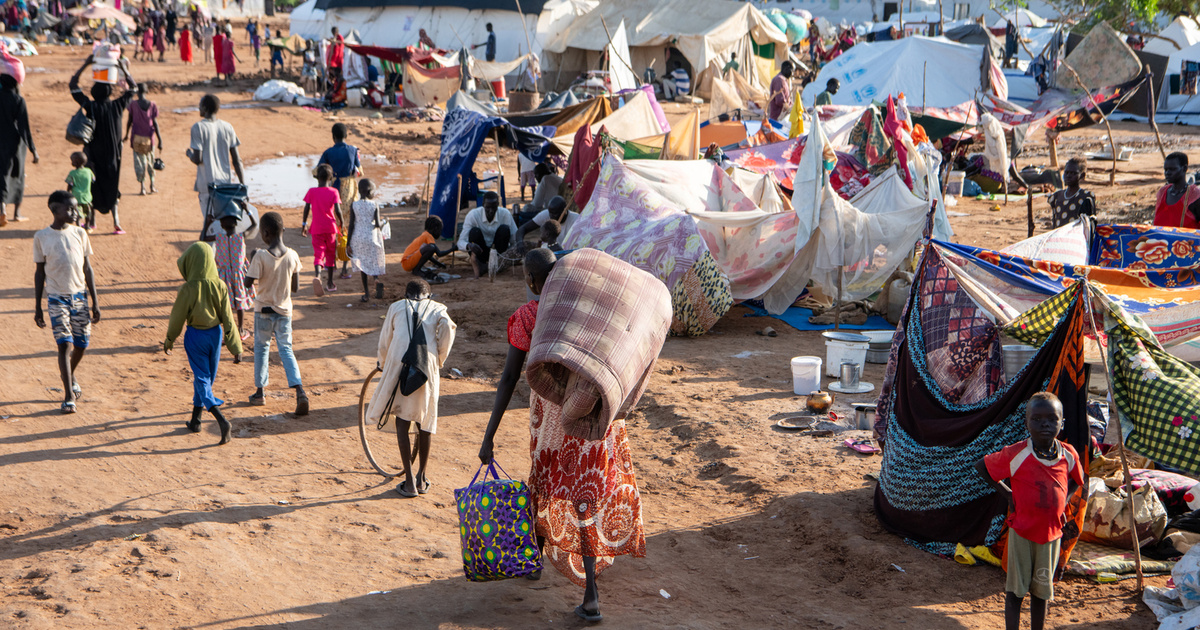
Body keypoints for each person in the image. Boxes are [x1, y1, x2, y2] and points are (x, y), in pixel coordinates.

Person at [478, 248, 651, 623]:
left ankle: (538, 564)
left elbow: (509, 377)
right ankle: (588, 593)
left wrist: (489, 435)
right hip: (594, 417)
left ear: (530, 281)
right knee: (585, 496)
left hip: (553, 422)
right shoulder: (590, 310)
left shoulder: (529, 316)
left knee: (543, 484)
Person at [975, 392, 1084, 630]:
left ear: (1061, 423)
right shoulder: (1017, 453)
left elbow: (1077, 479)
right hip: (1022, 532)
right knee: (1016, 591)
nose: (1044, 423)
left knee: (1042, 591)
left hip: (1051, 535)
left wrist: (1064, 500)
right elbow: (982, 466)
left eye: (1052, 419)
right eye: (1037, 418)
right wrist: (1008, 494)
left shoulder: (1068, 455)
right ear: (1027, 423)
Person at [368, 278, 456, 498]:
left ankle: (408, 482)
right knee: (425, 419)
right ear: (428, 295)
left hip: (400, 367)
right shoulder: (437, 308)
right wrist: (440, 358)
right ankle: (421, 477)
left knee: (402, 419)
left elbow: (385, 340)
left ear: (407, 294)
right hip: (426, 368)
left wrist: (382, 364)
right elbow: (448, 328)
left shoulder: (396, 307)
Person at [164, 242, 242, 445]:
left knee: (202, 379)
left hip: (195, 337)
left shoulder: (188, 288)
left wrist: (170, 339)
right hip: (215, 337)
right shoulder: (220, 285)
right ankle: (195, 420)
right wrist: (235, 347)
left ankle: (221, 420)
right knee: (205, 379)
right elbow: (228, 318)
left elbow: (177, 318)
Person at [33, 191, 100, 414]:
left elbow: (87, 269)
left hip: (80, 297)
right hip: (56, 298)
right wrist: (37, 308)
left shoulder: (80, 234)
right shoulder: (42, 237)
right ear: (54, 211)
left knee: (82, 344)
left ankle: (68, 375)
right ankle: (69, 395)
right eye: (69, 209)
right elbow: (39, 273)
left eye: (75, 208)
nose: (75, 213)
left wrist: (95, 302)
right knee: (65, 344)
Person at [244, 211, 308, 415]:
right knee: (286, 350)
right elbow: (295, 288)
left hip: (262, 310)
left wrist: (252, 257)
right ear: (284, 231)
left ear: (265, 233)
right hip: (284, 311)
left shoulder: (261, 256)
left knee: (262, 349)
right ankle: (299, 391)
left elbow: (247, 283)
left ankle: (260, 393)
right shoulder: (293, 255)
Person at [69, 54, 135, 235]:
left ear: (93, 93)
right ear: (110, 93)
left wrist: (85, 63)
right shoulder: (117, 106)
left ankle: (91, 222)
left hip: (92, 154)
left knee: (93, 186)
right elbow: (133, 88)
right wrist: (122, 68)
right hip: (113, 154)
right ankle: (117, 223)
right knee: (112, 185)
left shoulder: (90, 107)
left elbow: (73, 86)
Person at [201, 204, 256, 341]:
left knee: (225, 304)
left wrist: (207, 223)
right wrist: (246, 210)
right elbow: (254, 225)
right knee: (240, 302)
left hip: (224, 275)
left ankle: (227, 331)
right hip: (238, 275)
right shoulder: (241, 236)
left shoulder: (218, 237)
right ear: (237, 223)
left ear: (221, 224)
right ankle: (241, 328)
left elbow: (203, 238)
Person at [187, 93, 244, 222]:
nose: (199, 108)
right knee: (224, 224)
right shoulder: (227, 127)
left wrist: (189, 154)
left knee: (211, 226)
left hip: (207, 186)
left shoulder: (198, 128)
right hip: (225, 187)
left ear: (206, 109)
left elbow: (197, 159)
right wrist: (243, 185)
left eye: (200, 105)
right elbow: (237, 160)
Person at [316, 122, 362, 279]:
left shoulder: (328, 152)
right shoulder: (353, 150)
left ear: (333, 137)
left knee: (333, 227)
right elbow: (359, 171)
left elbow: (318, 170)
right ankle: (345, 266)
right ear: (346, 136)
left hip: (334, 188)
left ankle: (332, 263)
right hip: (349, 188)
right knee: (347, 227)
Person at [0, 71, 37, 227]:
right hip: (14, 144)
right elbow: (24, 128)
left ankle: (2, 208)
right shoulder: (18, 100)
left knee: (1, 174)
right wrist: (33, 150)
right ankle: (17, 213)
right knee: (18, 174)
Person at [301, 164, 343, 295]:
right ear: (330, 178)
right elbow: (338, 210)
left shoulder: (312, 191)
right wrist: (342, 223)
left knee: (319, 254)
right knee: (330, 255)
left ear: (317, 177)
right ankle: (330, 283)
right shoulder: (334, 192)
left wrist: (304, 224)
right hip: (331, 228)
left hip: (317, 228)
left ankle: (318, 276)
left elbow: (306, 209)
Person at [458, 191, 516, 279]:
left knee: (504, 229)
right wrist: (469, 246)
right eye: (488, 207)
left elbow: (514, 240)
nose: (491, 211)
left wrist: (510, 256)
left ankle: (497, 264)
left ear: (498, 205)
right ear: (483, 204)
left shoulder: (505, 214)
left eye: (494, 207)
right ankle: (480, 264)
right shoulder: (473, 215)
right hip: (481, 252)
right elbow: (460, 242)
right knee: (474, 232)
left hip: (499, 252)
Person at [347, 178, 386, 302]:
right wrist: (386, 221)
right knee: (373, 261)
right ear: (370, 192)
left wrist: (348, 243)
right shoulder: (374, 204)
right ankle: (376, 279)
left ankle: (367, 294)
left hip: (357, 238)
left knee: (362, 266)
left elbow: (351, 225)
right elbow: (378, 225)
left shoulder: (354, 205)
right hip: (371, 237)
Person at [123, 83, 162, 196]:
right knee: (150, 161)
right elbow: (155, 123)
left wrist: (126, 135)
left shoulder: (133, 105)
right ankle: (152, 185)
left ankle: (142, 188)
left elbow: (129, 121)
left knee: (139, 163)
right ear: (146, 91)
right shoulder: (152, 105)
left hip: (136, 138)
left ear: (137, 92)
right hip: (149, 138)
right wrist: (160, 140)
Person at [401, 215, 454, 282]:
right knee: (432, 247)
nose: (440, 233)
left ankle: (417, 269)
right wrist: (453, 249)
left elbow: (427, 256)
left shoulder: (425, 235)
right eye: (440, 230)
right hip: (408, 262)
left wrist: (439, 264)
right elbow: (439, 254)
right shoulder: (428, 236)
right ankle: (417, 270)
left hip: (407, 263)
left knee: (431, 248)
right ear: (435, 228)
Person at [1154, 152, 1200, 229]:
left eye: (1172, 169)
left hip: (1185, 241)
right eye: (1166, 169)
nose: (1167, 173)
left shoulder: (1193, 195)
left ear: (1184, 168)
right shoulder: (1162, 192)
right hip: (1160, 240)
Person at [1045, 158, 1095, 229]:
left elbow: (1090, 225)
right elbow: (1055, 223)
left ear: (1082, 175)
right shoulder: (1056, 197)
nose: (1068, 176)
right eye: (1066, 172)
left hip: (1077, 238)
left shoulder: (1086, 197)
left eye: (1073, 173)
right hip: (1059, 238)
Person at [65, 152, 95, 232]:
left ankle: (79, 227)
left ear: (77, 162)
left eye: (72, 160)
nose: (71, 162)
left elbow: (69, 185)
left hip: (76, 197)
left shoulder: (72, 173)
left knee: (77, 213)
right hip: (87, 197)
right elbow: (93, 180)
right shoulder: (88, 171)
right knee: (88, 212)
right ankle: (87, 226)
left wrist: (67, 193)